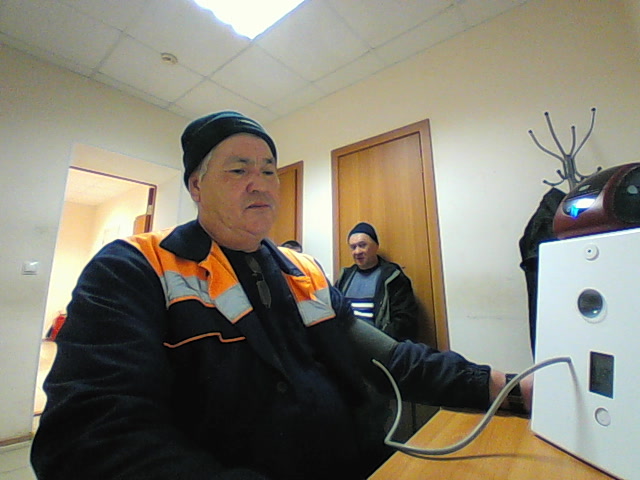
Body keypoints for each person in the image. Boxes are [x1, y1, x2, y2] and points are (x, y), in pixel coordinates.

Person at [31, 111, 531, 480]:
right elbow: (88, 437)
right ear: (196, 186)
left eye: (269, 170)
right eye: (238, 170)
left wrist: (506, 387)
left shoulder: (305, 271)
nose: (261, 185)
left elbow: (394, 360)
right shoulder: (134, 268)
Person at [335, 222, 419, 341]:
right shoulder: (345, 276)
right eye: (353, 247)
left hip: (379, 344)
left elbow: (405, 321)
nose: (357, 251)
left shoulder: (393, 278)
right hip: (345, 343)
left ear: (376, 246)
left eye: (362, 245)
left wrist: (377, 341)